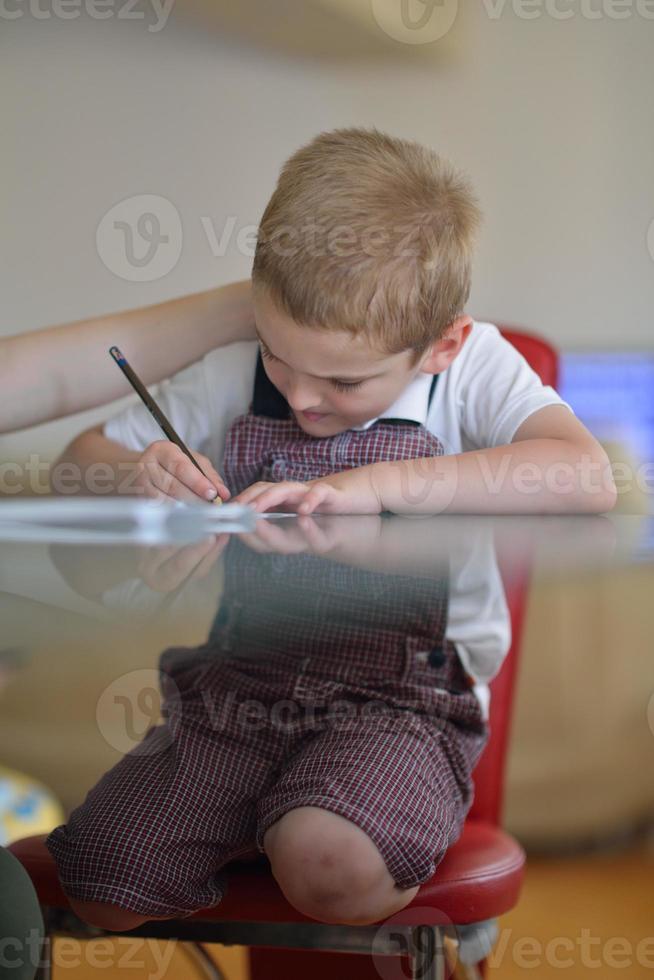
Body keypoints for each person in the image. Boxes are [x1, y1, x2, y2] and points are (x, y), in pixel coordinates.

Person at [44, 126, 617, 931]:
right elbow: (80, 459)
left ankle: (295, 818)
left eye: (345, 381)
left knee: (329, 862)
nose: (304, 399)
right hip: (237, 693)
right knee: (103, 878)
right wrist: (134, 474)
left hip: (401, 707)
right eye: (281, 359)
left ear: (441, 344)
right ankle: (258, 811)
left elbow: (583, 477)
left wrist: (376, 486)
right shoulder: (238, 362)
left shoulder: (473, 365)